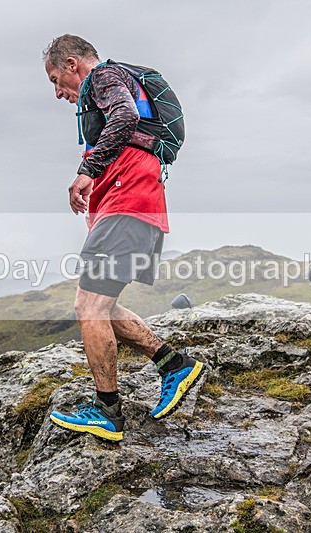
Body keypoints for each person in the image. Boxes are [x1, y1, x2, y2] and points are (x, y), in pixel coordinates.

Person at [42, 34, 203, 442]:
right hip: (133, 203)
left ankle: (108, 413)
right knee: (103, 304)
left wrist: (87, 170)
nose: (59, 92)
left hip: (129, 202)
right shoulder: (107, 83)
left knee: (88, 305)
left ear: (73, 64)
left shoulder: (104, 77)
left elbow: (125, 116)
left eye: (56, 79)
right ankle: (173, 364)